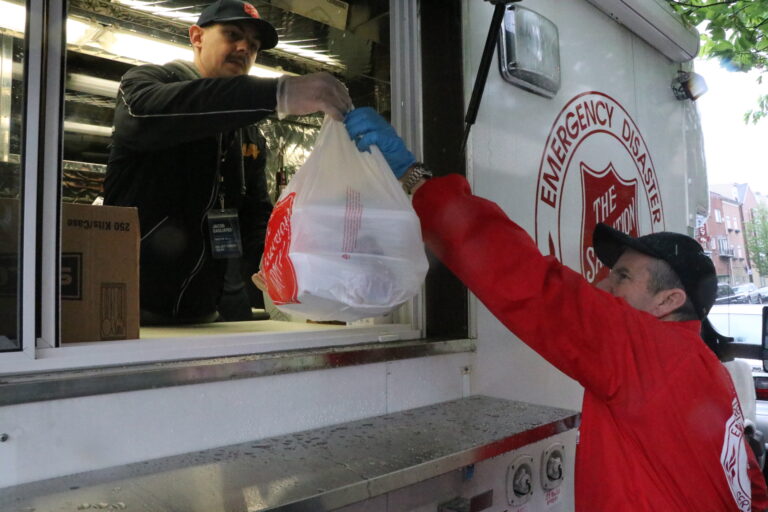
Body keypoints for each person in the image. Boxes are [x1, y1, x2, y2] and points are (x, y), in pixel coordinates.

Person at [343, 106, 768, 511]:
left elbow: (526, 280)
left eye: (622, 277)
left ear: (669, 301)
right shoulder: (707, 369)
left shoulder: (650, 353)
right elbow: (752, 485)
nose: (602, 282)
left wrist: (417, 181)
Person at [104, 0, 352, 324]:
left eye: (253, 45)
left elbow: (255, 212)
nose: (243, 48)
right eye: (232, 34)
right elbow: (142, 115)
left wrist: (277, 265)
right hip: (135, 311)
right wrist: (278, 93)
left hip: (215, 311)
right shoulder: (148, 83)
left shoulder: (247, 133)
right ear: (197, 37)